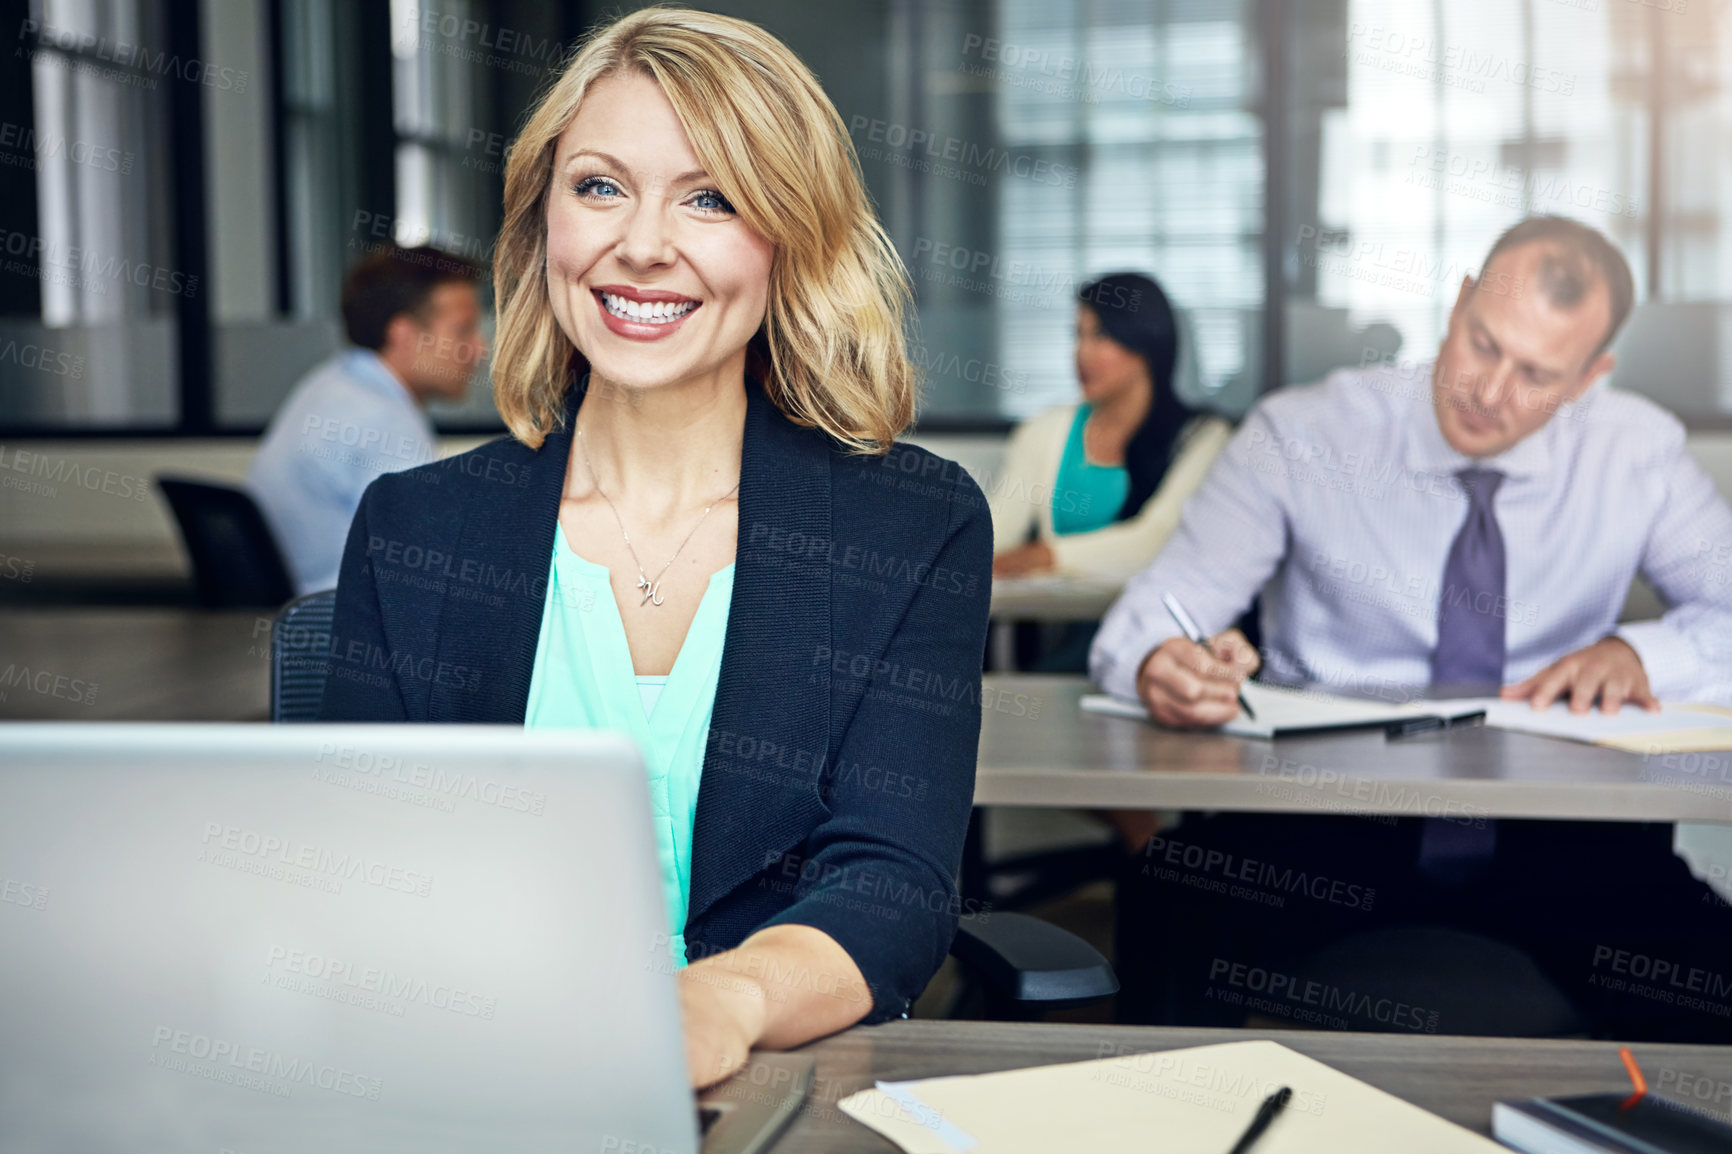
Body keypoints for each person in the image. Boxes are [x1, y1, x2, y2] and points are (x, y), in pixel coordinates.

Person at [316, 9, 991, 1086]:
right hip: (466, 1079)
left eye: (710, 197)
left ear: (790, 235)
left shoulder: (913, 525)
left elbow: (893, 880)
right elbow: (355, 881)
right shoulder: (415, 529)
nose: (640, 242)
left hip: (758, 1085)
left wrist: (724, 997)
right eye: (599, 186)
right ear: (545, 224)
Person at [1094, 216, 1732, 1041]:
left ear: (1589, 377)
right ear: (1460, 302)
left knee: (1706, 972)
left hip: (1564, 830)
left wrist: (1637, 653)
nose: (1490, 392)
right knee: (1168, 903)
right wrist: (1159, 661)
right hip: (1324, 818)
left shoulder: (1637, 453)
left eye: (1537, 372)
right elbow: (1150, 612)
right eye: (1483, 344)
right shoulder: (1303, 434)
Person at [248, 245, 488, 594]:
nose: (480, 349)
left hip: (307, 612)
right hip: (338, 619)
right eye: (463, 330)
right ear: (403, 334)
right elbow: (420, 568)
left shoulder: (331, 382)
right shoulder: (383, 419)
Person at [990, 273, 1231, 584]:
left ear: (1145, 342)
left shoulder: (1202, 437)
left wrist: (1045, 555)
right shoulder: (1045, 431)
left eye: (1100, 336)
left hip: (1162, 631)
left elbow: (1156, 542)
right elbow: (995, 533)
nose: (1081, 353)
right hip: (1064, 629)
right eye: (1078, 336)